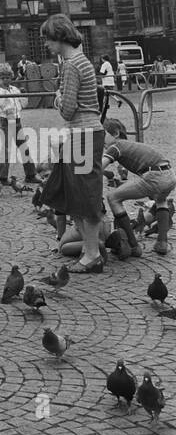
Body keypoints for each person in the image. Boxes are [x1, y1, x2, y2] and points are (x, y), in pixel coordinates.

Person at [38, 15, 105, 275]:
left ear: (60, 37)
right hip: (84, 133)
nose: (46, 44)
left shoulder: (71, 65)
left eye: (48, 39)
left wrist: (57, 97)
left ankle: (92, 254)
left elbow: (67, 109)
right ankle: (90, 250)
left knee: (84, 196)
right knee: (74, 194)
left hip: (82, 134)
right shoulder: (81, 60)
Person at [102, 118, 173, 257]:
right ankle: (162, 243)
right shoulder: (131, 144)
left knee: (113, 198)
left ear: (115, 133)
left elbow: (99, 167)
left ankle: (134, 246)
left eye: (103, 134)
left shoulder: (116, 146)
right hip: (169, 174)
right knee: (161, 200)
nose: (101, 140)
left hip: (154, 176)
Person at [0, 63, 36, 185]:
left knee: (23, 147)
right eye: (2, 78)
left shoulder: (14, 89)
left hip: (17, 120)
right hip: (6, 121)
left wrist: (24, 95)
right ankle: (1, 177)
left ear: (11, 77)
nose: (6, 80)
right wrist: (4, 92)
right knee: (6, 149)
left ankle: (31, 174)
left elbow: (23, 104)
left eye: (8, 77)